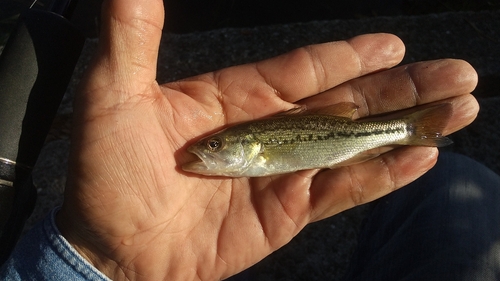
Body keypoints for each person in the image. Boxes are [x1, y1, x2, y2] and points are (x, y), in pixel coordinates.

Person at [0, 0, 488, 280]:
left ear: (246, 146)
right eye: (212, 145)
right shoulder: (248, 152)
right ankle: (416, 136)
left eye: (214, 146)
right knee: (460, 187)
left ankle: (411, 129)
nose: (203, 150)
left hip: (354, 136)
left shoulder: (257, 146)